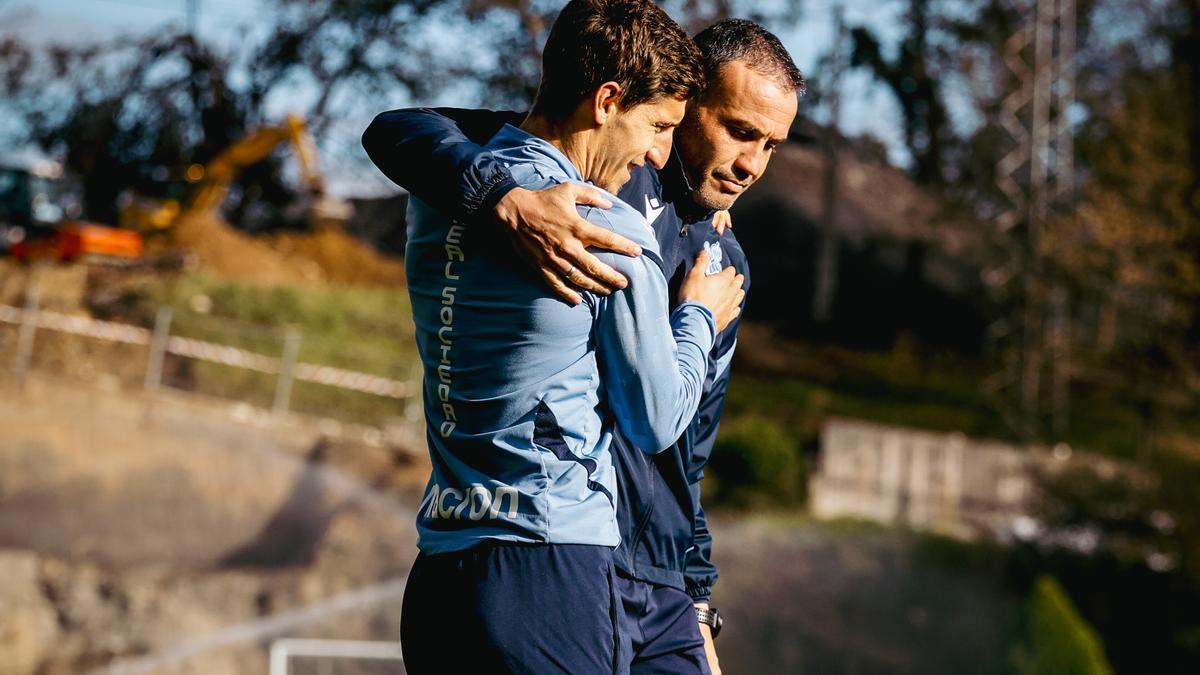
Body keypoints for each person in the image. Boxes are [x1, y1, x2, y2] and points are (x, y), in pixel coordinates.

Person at [363, 18, 804, 674]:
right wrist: (504, 198)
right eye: (739, 131)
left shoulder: (723, 258)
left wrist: (699, 598)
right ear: (682, 105)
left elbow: (687, 452)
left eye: (771, 145)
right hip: (565, 554)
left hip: (650, 584)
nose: (751, 165)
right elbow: (398, 129)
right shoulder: (581, 177)